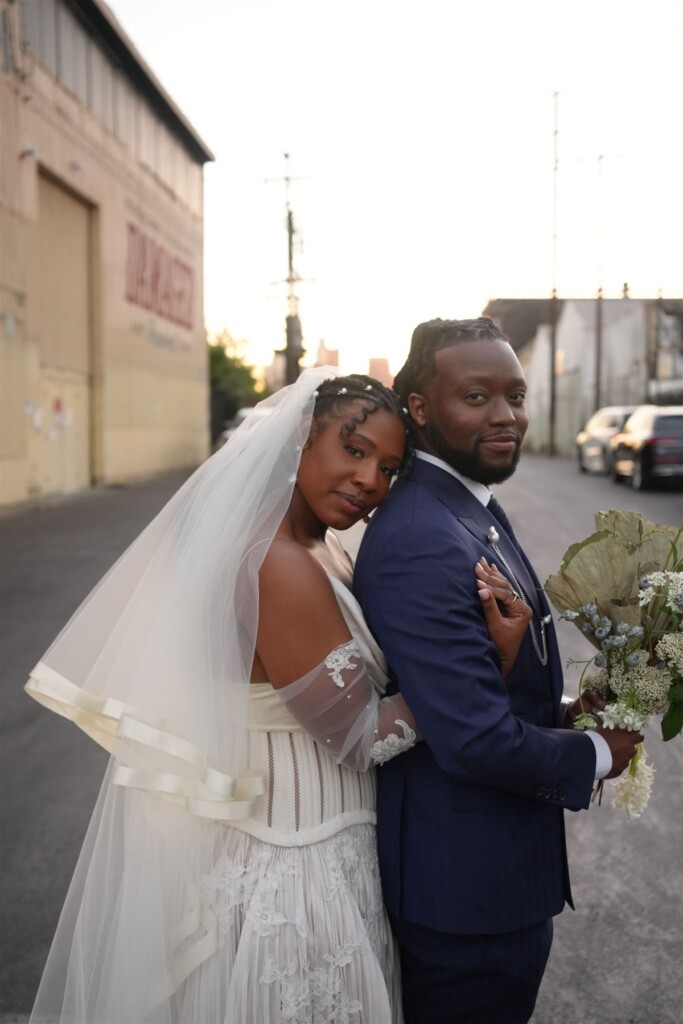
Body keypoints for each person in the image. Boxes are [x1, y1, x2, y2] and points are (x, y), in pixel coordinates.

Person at [25, 366, 529, 1024]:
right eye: (353, 451)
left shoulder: (311, 548)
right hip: (297, 866)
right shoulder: (277, 563)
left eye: (387, 467)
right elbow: (358, 740)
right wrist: (485, 662)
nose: (369, 482)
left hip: (308, 846)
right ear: (299, 437)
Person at [353, 319, 644, 1024]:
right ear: (419, 409)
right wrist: (601, 754)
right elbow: (472, 739)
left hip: (492, 877)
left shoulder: (468, 501)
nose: (506, 415)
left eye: (514, 395)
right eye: (476, 397)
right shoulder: (421, 538)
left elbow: (473, 683)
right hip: (464, 898)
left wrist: (571, 704)